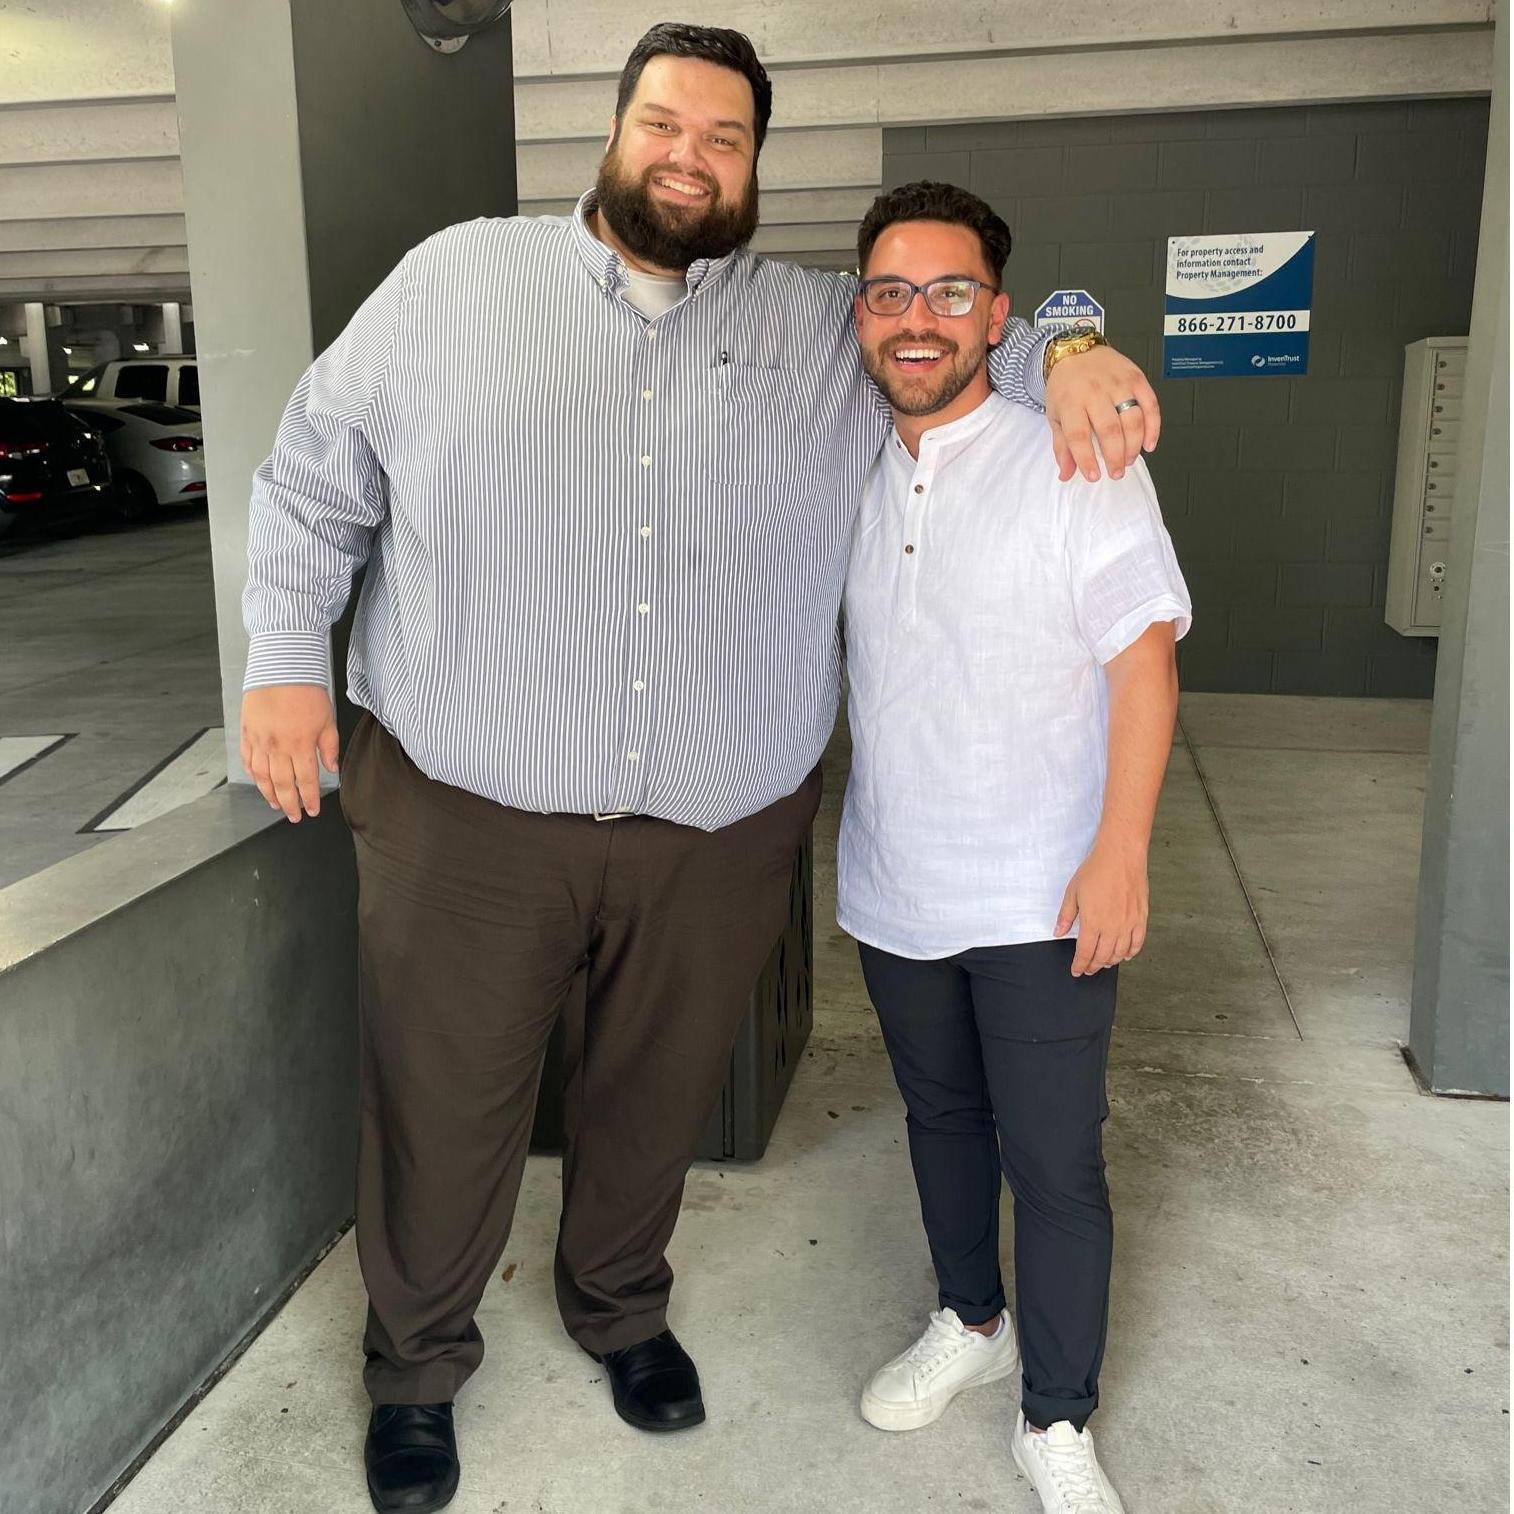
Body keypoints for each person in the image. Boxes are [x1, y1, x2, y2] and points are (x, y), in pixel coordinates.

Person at [238, 24, 1162, 1514]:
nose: (689, 153)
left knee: (654, 1090)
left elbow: (944, 317)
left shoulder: (813, 323)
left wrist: (1073, 337)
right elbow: (312, 475)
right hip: (472, 808)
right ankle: (415, 1362)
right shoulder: (454, 281)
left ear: (751, 163)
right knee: (442, 1097)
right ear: (614, 131)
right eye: (663, 121)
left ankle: (618, 1304)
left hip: (717, 825)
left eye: (723, 135)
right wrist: (285, 657)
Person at [840, 180, 1190, 1514]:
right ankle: (969, 1324)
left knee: (1052, 1159)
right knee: (939, 1120)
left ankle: (1056, 1413)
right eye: (890, 292)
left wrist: (1122, 849)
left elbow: (1143, 660)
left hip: (1045, 884)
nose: (916, 319)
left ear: (994, 312)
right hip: (894, 878)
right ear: (861, 313)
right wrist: (1070, 333)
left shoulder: (1072, 450)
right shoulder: (844, 453)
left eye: (947, 293)